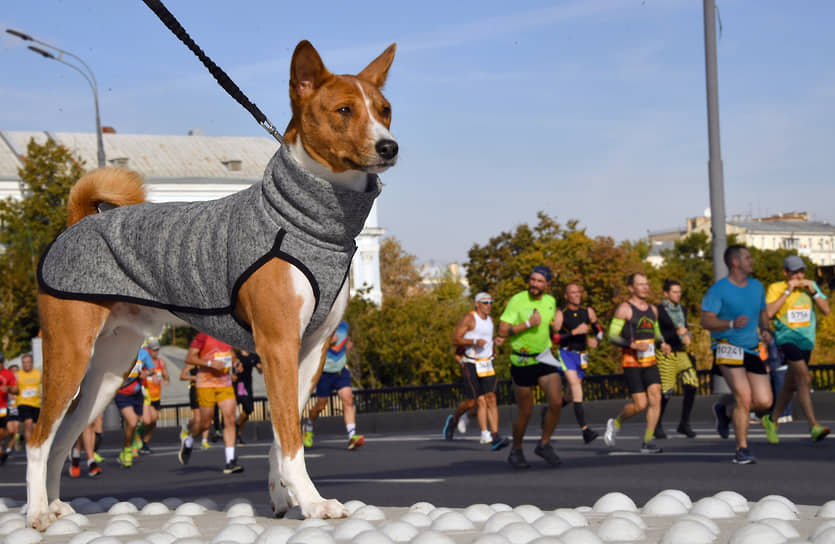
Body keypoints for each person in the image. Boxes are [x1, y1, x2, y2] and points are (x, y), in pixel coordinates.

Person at [701, 244, 773, 464]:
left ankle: (724, 407)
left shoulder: (757, 286)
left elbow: (762, 312)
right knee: (745, 397)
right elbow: (706, 320)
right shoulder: (718, 290)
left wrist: (766, 330)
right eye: (747, 257)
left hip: (751, 347)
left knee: (764, 401)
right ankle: (742, 449)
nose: (752, 261)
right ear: (735, 262)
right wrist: (730, 323)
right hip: (726, 346)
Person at [498, 265, 563, 469]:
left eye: (539, 281)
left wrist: (558, 319)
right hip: (522, 360)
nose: (534, 284)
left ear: (547, 284)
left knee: (556, 402)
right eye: (532, 280)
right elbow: (502, 330)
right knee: (526, 411)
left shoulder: (550, 301)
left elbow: (554, 319)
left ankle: (544, 444)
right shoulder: (518, 300)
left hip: (544, 357)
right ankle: (516, 450)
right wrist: (527, 324)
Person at [761, 255, 830, 443]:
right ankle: (813, 426)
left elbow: (826, 310)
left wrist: (814, 292)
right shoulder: (776, 288)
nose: (799, 276)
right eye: (794, 272)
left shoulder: (811, 287)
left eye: (801, 271)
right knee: (805, 378)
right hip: (787, 339)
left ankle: (772, 420)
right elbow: (768, 313)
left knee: (790, 385)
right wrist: (786, 292)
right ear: (785, 273)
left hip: (806, 341)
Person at [603, 272, 671, 454]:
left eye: (647, 284)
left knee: (656, 396)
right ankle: (616, 422)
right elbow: (611, 336)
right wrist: (632, 345)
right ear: (631, 288)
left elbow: (655, 332)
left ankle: (647, 442)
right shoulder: (624, 309)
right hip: (631, 361)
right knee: (640, 404)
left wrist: (662, 343)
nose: (645, 287)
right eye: (641, 284)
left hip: (650, 360)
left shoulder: (653, 310)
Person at [444, 292, 510, 450]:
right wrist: (473, 341)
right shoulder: (469, 318)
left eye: (490, 302)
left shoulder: (491, 320)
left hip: (487, 363)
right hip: (471, 363)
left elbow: (488, 339)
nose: (489, 305)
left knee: (490, 398)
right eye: (485, 302)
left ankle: (493, 436)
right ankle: (454, 420)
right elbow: (455, 339)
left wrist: (493, 348)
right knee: (472, 402)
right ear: (477, 304)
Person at [178, 332, 244, 473]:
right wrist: (209, 363)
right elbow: (189, 358)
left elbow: (230, 353)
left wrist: (236, 362)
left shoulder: (228, 335)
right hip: (205, 383)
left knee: (230, 419)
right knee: (205, 423)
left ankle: (230, 461)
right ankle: (189, 439)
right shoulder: (204, 336)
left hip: (225, 383)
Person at [552, 282, 604, 444]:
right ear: (566, 296)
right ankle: (585, 430)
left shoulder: (588, 312)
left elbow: (600, 331)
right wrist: (575, 332)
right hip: (566, 353)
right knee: (576, 386)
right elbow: (555, 339)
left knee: (570, 395)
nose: (577, 295)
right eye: (572, 293)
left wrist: (596, 340)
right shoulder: (561, 314)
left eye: (578, 292)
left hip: (582, 355)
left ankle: (549, 410)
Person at [303, 321, 365, 451]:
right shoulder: (322, 326)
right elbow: (311, 345)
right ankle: (308, 426)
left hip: (341, 371)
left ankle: (352, 437)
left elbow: (345, 339)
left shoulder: (344, 326)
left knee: (348, 400)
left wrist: (347, 344)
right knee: (321, 405)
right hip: (325, 373)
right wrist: (328, 341)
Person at [655, 279, 699, 439]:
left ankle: (684, 423)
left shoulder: (683, 310)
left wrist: (687, 335)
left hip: (680, 352)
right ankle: (657, 423)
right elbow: (656, 331)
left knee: (692, 384)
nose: (678, 295)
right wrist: (669, 338)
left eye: (679, 292)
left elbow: (685, 329)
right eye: (674, 292)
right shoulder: (658, 310)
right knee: (666, 391)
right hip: (666, 352)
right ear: (666, 293)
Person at [113, 346, 154, 467]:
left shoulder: (143, 353)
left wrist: (146, 372)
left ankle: (130, 445)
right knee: (132, 422)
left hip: (137, 394)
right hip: (122, 393)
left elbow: (152, 369)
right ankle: (127, 451)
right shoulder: (120, 351)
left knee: (140, 422)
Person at [138, 340, 169, 453]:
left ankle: (144, 442)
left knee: (154, 420)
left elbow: (166, 376)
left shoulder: (161, 363)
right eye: (153, 350)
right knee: (148, 420)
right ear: (149, 350)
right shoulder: (145, 362)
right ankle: (138, 436)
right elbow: (139, 374)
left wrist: (166, 379)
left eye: (157, 349)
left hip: (156, 396)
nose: (156, 352)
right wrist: (147, 375)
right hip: (146, 394)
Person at [234, 349, 263, 443]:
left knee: (248, 411)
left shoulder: (253, 356)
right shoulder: (237, 356)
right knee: (247, 407)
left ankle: (238, 432)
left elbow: (260, 369)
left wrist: (260, 368)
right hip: (239, 385)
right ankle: (235, 427)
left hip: (248, 385)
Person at [180, 363, 211, 450]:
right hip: (195, 391)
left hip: (206, 390)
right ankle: (186, 427)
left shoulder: (207, 361)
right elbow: (182, 376)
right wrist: (194, 378)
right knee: (197, 418)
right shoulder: (192, 363)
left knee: (206, 417)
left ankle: (204, 441)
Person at [0, 354, 18, 465]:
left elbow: (16, 390)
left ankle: (5, 450)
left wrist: (9, 389)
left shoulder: (8, 373)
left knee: (11, 431)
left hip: (3, 408)